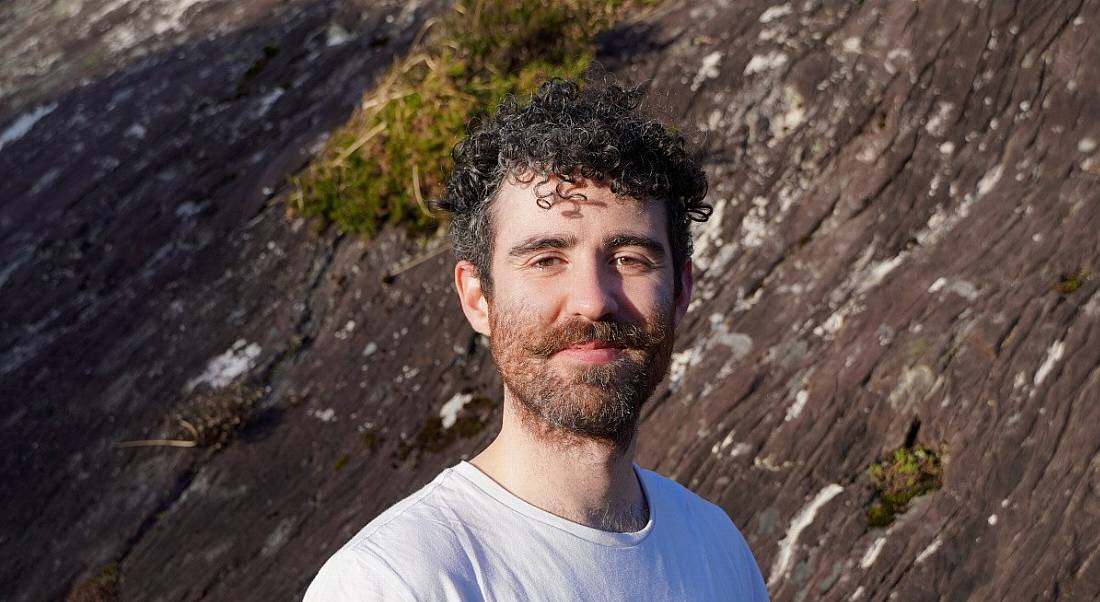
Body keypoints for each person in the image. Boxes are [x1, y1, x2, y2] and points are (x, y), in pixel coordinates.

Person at [304, 77, 769, 601]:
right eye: (547, 260)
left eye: (629, 259)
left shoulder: (717, 548)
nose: (593, 300)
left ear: (681, 289)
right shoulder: (396, 582)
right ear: (478, 297)